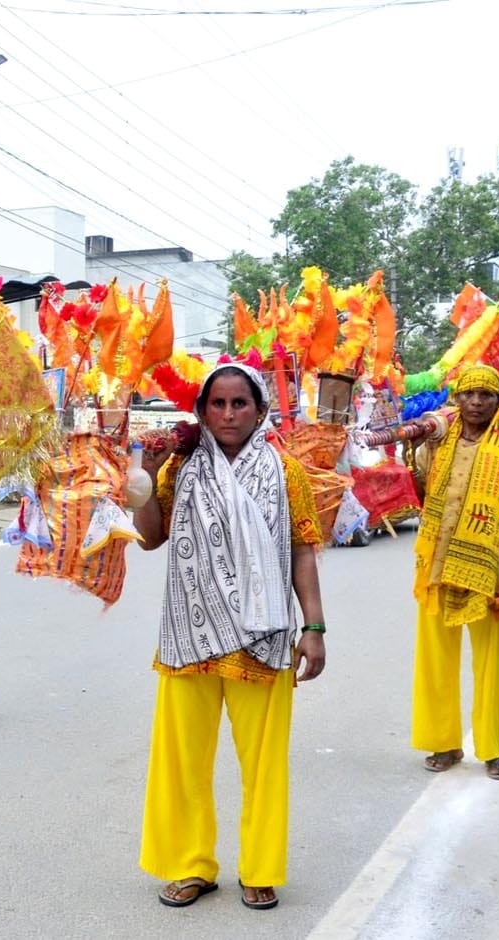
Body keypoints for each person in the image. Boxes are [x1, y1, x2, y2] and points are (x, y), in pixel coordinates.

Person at [132, 363, 327, 912]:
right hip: (189, 632)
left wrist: (313, 627)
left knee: (263, 762)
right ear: (200, 412)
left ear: (260, 410)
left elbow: (303, 551)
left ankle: (259, 867)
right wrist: (145, 479)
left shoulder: (285, 472)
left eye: (239, 403)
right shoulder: (181, 469)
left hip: (261, 636)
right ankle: (190, 864)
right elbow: (151, 538)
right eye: (216, 404)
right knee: (182, 760)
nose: (228, 414)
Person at [410, 364, 499, 782]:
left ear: (498, 402)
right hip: (437, 567)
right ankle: (444, 742)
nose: (476, 402)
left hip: (488, 569)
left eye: (486, 395)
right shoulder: (439, 440)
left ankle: (492, 748)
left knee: (488, 663)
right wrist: (413, 445)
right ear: (457, 399)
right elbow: (418, 489)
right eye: (468, 394)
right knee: (435, 660)